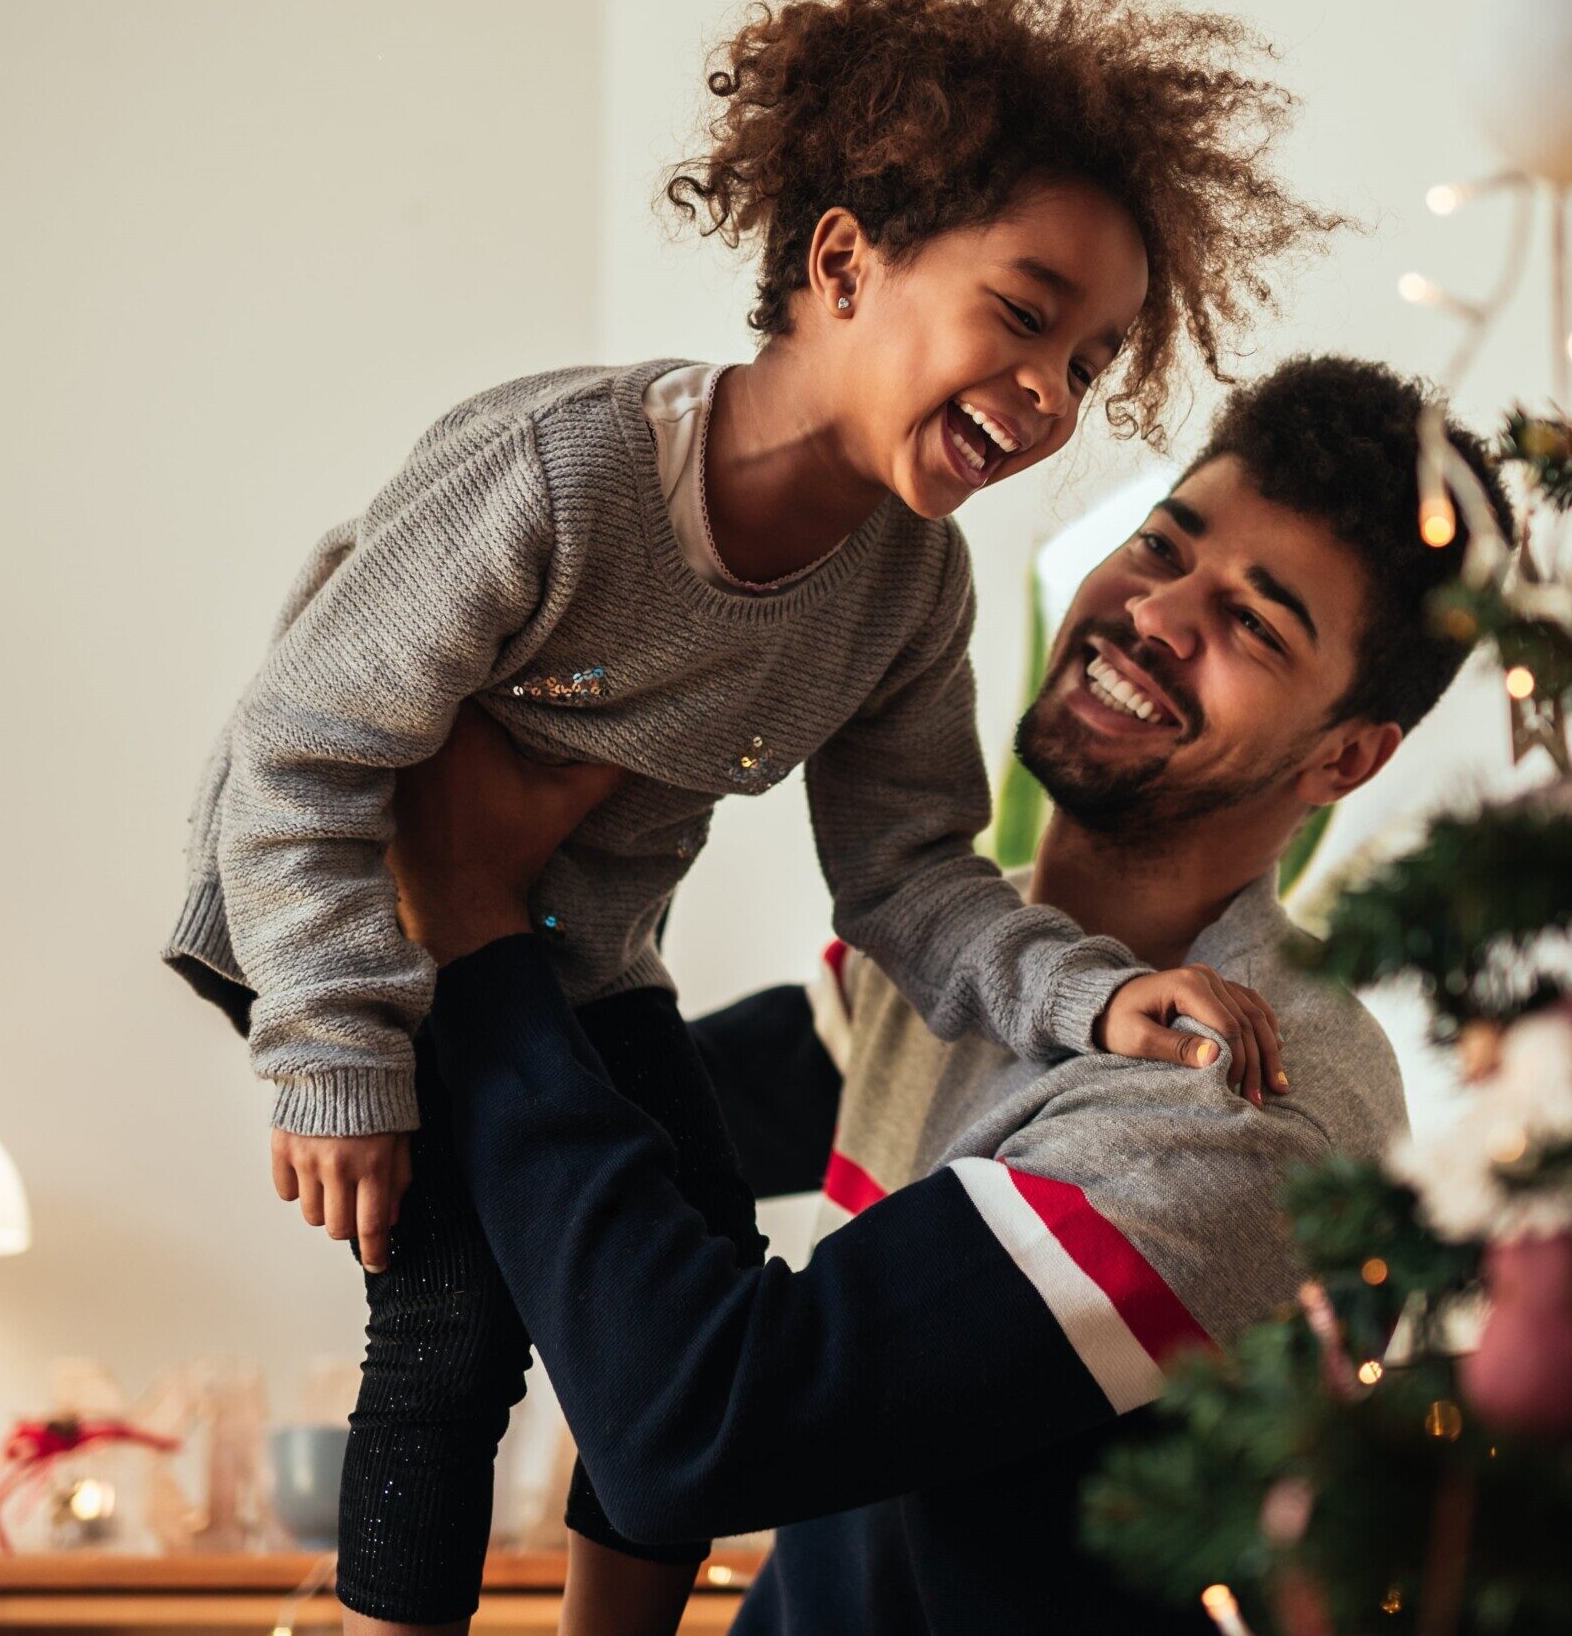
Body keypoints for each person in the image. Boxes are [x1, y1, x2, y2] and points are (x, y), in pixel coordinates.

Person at [161, 0, 1323, 1636]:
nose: (1051, 394)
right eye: (1022, 316)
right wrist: (334, 1048)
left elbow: (914, 878)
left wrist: (1093, 1001)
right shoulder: (564, 482)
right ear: (845, 260)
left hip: (573, 959)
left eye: (1091, 359)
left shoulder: (905, 587)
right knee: (457, 1326)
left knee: (695, 1267)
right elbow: (304, 751)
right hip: (334, 907)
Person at [390, 357, 1514, 1634]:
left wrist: (476, 915)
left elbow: (695, 1427)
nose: (1159, 615)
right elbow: (589, 1148)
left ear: (1346, 755)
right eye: (1163, 545)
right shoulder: (958, 963)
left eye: (1257, 623)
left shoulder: (1244, 1096)